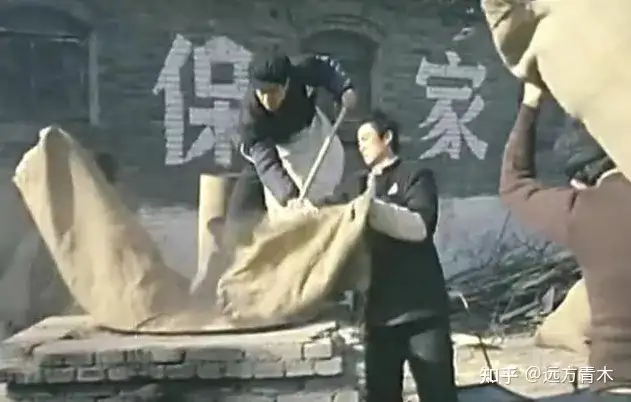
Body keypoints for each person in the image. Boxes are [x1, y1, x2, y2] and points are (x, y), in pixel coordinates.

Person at [499, 81, 631, 401]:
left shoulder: (583, 211)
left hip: (616, 381)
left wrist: (530, 104)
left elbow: (514, 184)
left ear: (579, 180)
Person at [322, 110, 457, 402]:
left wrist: (371, 208)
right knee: (381, 396)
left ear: (387, 138)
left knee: (438, 393)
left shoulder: (415, 175)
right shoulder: (356, 185)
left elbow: (420, 227)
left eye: (366, 138)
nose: (361, 145)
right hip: (378, 315)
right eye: (357, 141)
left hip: (421, 311)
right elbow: (330, 218)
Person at [228, 50, 357, 226]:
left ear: (287, 83)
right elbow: (267, 162)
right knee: (274, 212)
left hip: (312, 135)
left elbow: (325, 70)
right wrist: (289, 197)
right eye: (262, 92)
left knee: (319, 199)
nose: (267, 100)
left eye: (273, 91)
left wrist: (344, 88)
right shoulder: (251, 117)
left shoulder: (299, 70)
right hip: (277, 151)